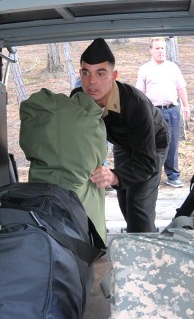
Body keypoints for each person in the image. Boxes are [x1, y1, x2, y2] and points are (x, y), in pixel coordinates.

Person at [70, 38, 170, 233]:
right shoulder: (78, 99)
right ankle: (135, 236)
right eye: (86, 73)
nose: (92, 82)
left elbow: (146, 162)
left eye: (100, 73)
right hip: (123, 142)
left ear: (114, 75)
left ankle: (145, 251)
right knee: (124, 196)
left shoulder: (135, 104)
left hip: (153, 144)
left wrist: (114, 175)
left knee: (138, 202)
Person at [135, 37, 190, 187]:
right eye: (157, 48)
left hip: (172, 110)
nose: (161, 51)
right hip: (153, 112)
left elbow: (180, 87)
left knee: (172, 143)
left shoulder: (173, 67)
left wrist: (186, 106)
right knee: (151, 143)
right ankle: (153, 175)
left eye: (163, 48)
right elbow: (140, 93)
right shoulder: (145, 69)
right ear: (151, 50)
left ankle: (172, 175)